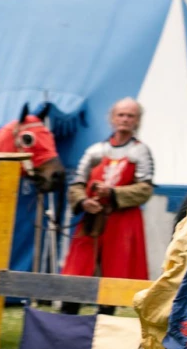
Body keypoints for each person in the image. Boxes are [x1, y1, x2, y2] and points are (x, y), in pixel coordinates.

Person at [60, 98, 155, 314]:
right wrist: (85, 201)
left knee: (114, 275)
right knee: (77, 272)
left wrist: (113, 193)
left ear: (137, 120)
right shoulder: (95, 151)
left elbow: (145, 189)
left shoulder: (141, 152)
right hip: (92, 221)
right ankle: (66, 322)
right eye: (121, 114)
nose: (125, 119)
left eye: (130, 115)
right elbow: (77, 184)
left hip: (122, 222)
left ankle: (104, 324)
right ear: (112, 118)